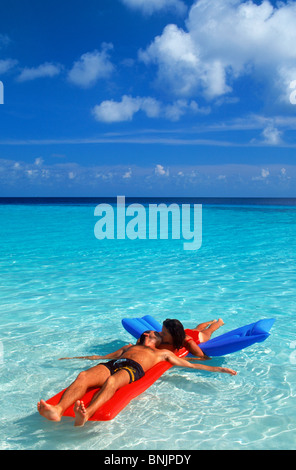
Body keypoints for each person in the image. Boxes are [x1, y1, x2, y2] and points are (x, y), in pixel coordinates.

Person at [38, 332, 236, 427]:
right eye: (147, 333)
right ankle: (58, 409)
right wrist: (73, 359)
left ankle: (87, 414)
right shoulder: (128, 346)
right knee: (83, 376)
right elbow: (103, 357)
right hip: (114, 364)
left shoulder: (161, 354)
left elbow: (191, 365)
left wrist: (218, 368)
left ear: (159, 340)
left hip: (134, 369)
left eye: (153, 333)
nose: (149, 334)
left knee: (113, 382)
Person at [158, 318, 224, 358]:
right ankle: (211, 322)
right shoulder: (171, 336)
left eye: (164, 333)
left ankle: (219, 322)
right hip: (185, 332)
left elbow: (202, 356)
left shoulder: (188, 341)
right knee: (197, 328)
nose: (160, 334)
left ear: (173, 335)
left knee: (209, 330)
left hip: (197, 337)